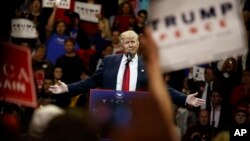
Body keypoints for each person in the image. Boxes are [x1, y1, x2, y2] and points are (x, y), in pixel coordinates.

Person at [49, 30, 205, 108]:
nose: (130, 44)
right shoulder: (109, 61)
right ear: (121, 45)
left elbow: (162, 88)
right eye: (127, 42)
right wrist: (68, 88)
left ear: (138, 44)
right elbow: (91, 81)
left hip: (136, 113)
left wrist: (184, 98)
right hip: (111, 111)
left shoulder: (147, 64)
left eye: (133, 41)